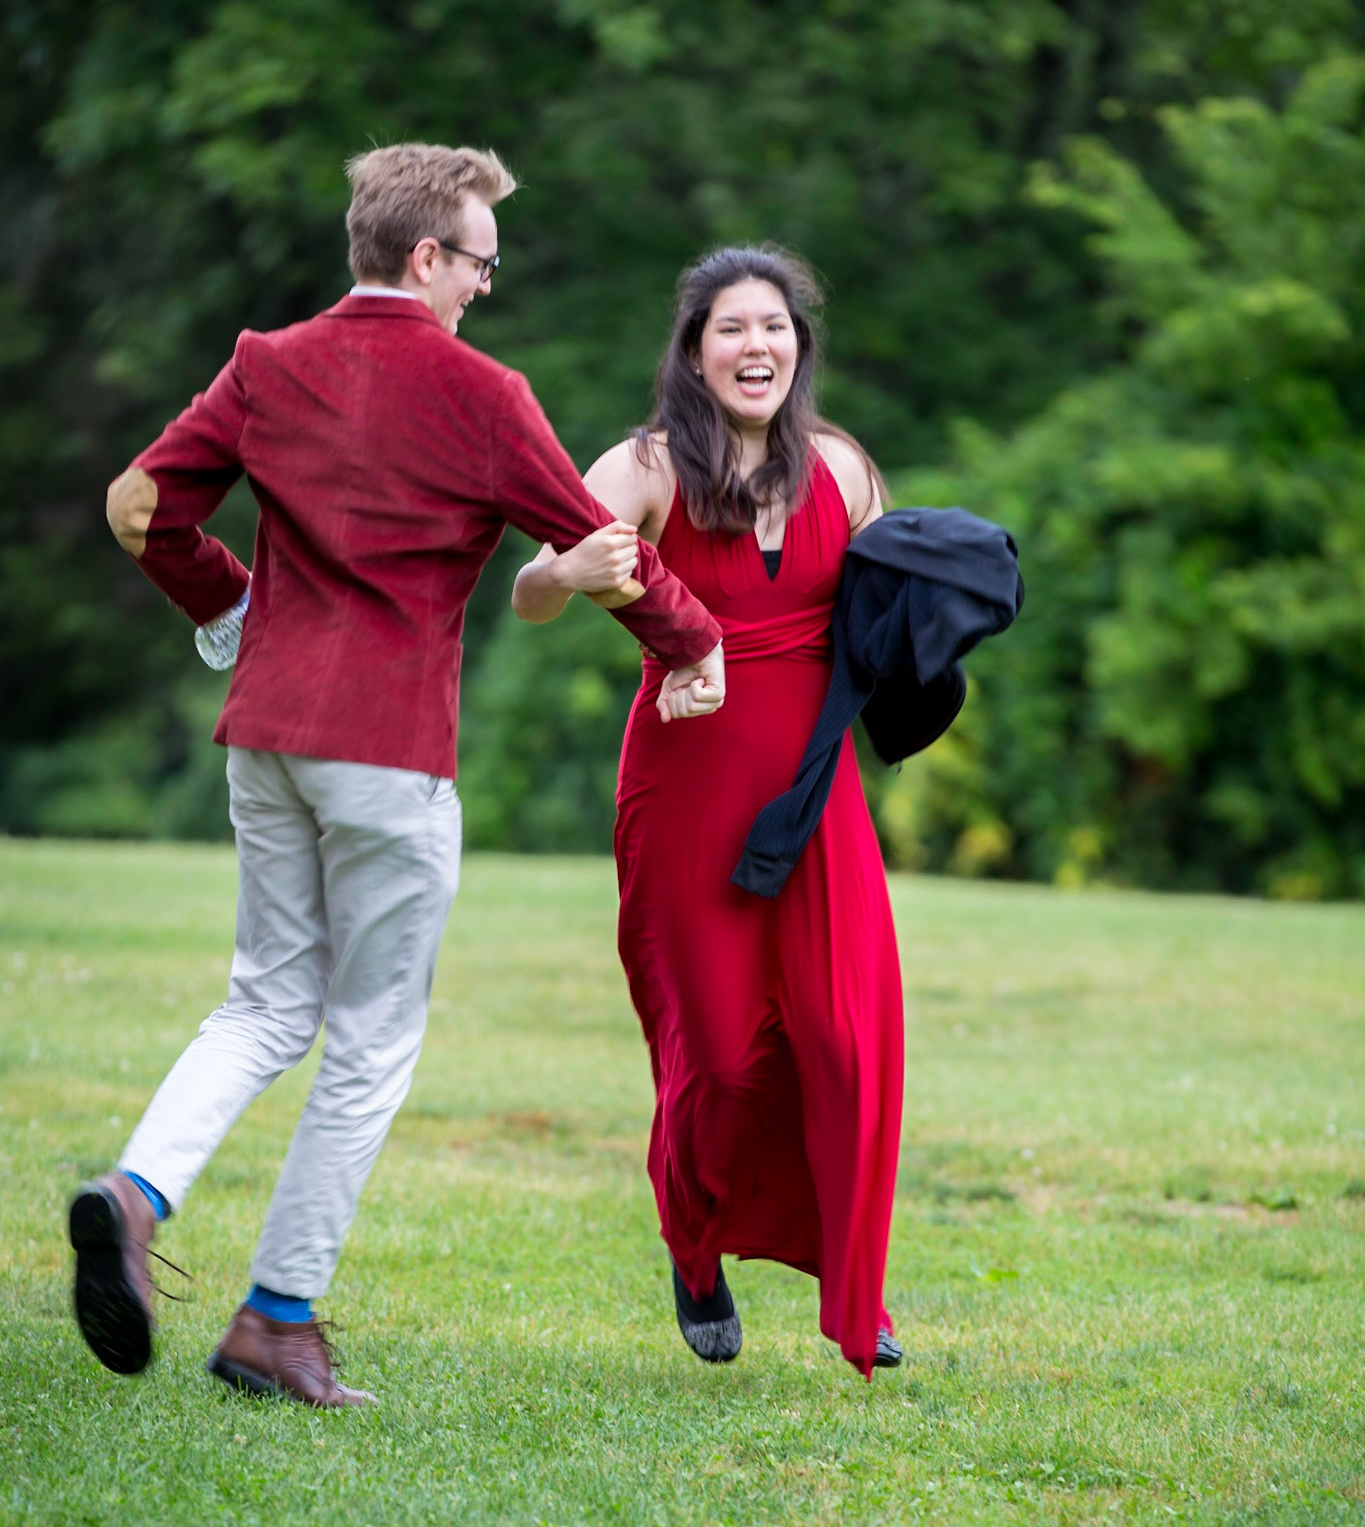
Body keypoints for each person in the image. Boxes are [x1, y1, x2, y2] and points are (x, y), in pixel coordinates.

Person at [73, 141, 724, 1409]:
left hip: (266, 738)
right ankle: (274, 1320)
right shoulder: (484, 393)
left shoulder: (266, 361)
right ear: (427, 255)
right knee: (370, 1038)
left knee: (264, 1003)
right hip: (387, 751)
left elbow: (138, 505)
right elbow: (594, 541)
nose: (485, 284)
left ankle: (135, 1193)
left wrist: (231, 607)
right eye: (480, 262)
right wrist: (695, 642)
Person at [512, 246, 903, 1381]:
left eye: (774, 326)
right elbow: (534, 593)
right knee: (721, 1059)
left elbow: (887, 615)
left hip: (816, 795)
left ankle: (856, 1290)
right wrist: (570, 569)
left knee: (846, 1043)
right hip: (685, 791)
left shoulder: (843, 468)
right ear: (694, 352)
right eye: (731, 328)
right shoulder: (644, 466)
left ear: (799, 346)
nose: (756, 346)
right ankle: (695, 1250)